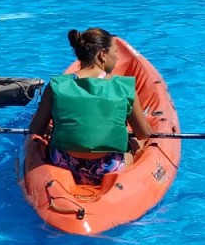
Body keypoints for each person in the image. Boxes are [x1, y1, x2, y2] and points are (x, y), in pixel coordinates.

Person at [28, 27, 153, 185]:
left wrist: (53, 129)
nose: (117, 57)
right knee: (136, 142)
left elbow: (35, 129)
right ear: (102, 54)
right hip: (108, 167)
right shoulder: (123, 87)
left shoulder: (56, 86)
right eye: (115, 52)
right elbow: (144, 133)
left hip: (64, 164)